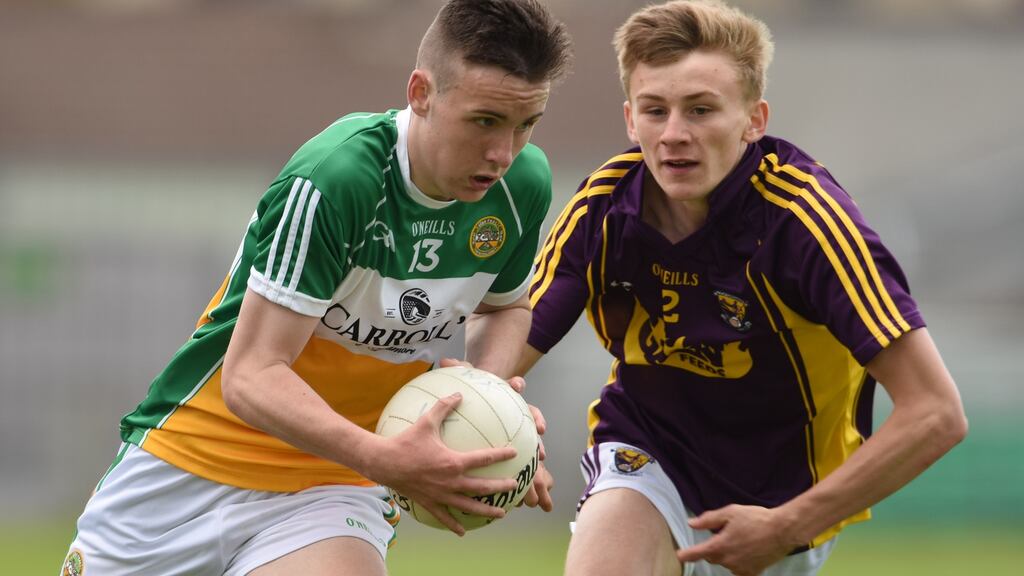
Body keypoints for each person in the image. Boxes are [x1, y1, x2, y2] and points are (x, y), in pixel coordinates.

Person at [60, 2, 571, 575]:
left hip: (334, 483)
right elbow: (251, 376)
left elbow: (503, 309)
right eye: (484, 121)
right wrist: (387, 458)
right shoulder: (337, 179)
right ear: (422, 93)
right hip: (189, 464)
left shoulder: (522, 186)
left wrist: (492, 415)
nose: (504, 153)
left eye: (526, 124)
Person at [517, 1, 967, 575]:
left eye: (701, 110)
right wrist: (498, 415)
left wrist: (788, 525)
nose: (674, 134)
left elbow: (936, 412)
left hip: (785, 506)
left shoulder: (806, 223)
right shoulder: (604, 207)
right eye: (655, 111)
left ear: (754, 120)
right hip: (647, 453)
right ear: (631, 120)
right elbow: (513, 340)